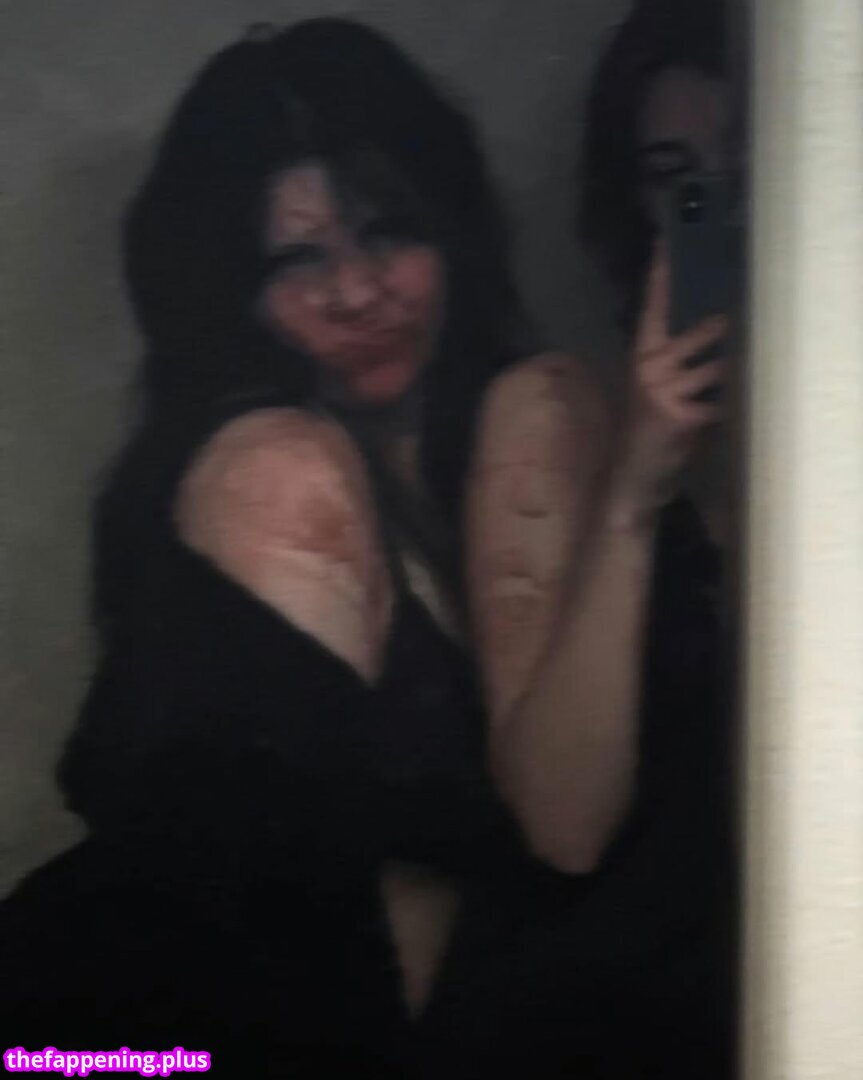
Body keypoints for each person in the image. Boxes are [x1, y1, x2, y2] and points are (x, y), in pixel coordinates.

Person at [0, 16, 611, 1079]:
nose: (357, 293)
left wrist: (638, 488)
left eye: (390, 232)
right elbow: (333, 914)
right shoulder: (276, 471)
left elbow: (563, 827)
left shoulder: (517, 434)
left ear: (452, 228)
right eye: (298, 258)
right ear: (229, 292)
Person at [416, 2, 741, 1076]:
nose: (720, 208)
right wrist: (637, 488)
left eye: (747, 171)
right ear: (631, 204)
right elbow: (561, 826)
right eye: (676, 179)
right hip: (574, 1022)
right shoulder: (558, 416)